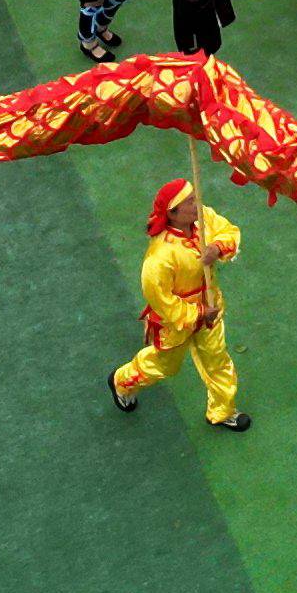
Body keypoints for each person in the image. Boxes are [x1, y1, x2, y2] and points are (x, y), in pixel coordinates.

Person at [111, 174, 253, 429]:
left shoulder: (203, 216)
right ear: (173, 214)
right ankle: (122, 381)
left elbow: (228, 231)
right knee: (164, 366)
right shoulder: (160, 256)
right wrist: (199, 313)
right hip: (175, 323)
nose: (196, 202)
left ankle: (222, 411)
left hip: (211, 308)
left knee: (217, 360)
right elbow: (161, 300)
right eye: (189, 202)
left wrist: (219, 248)